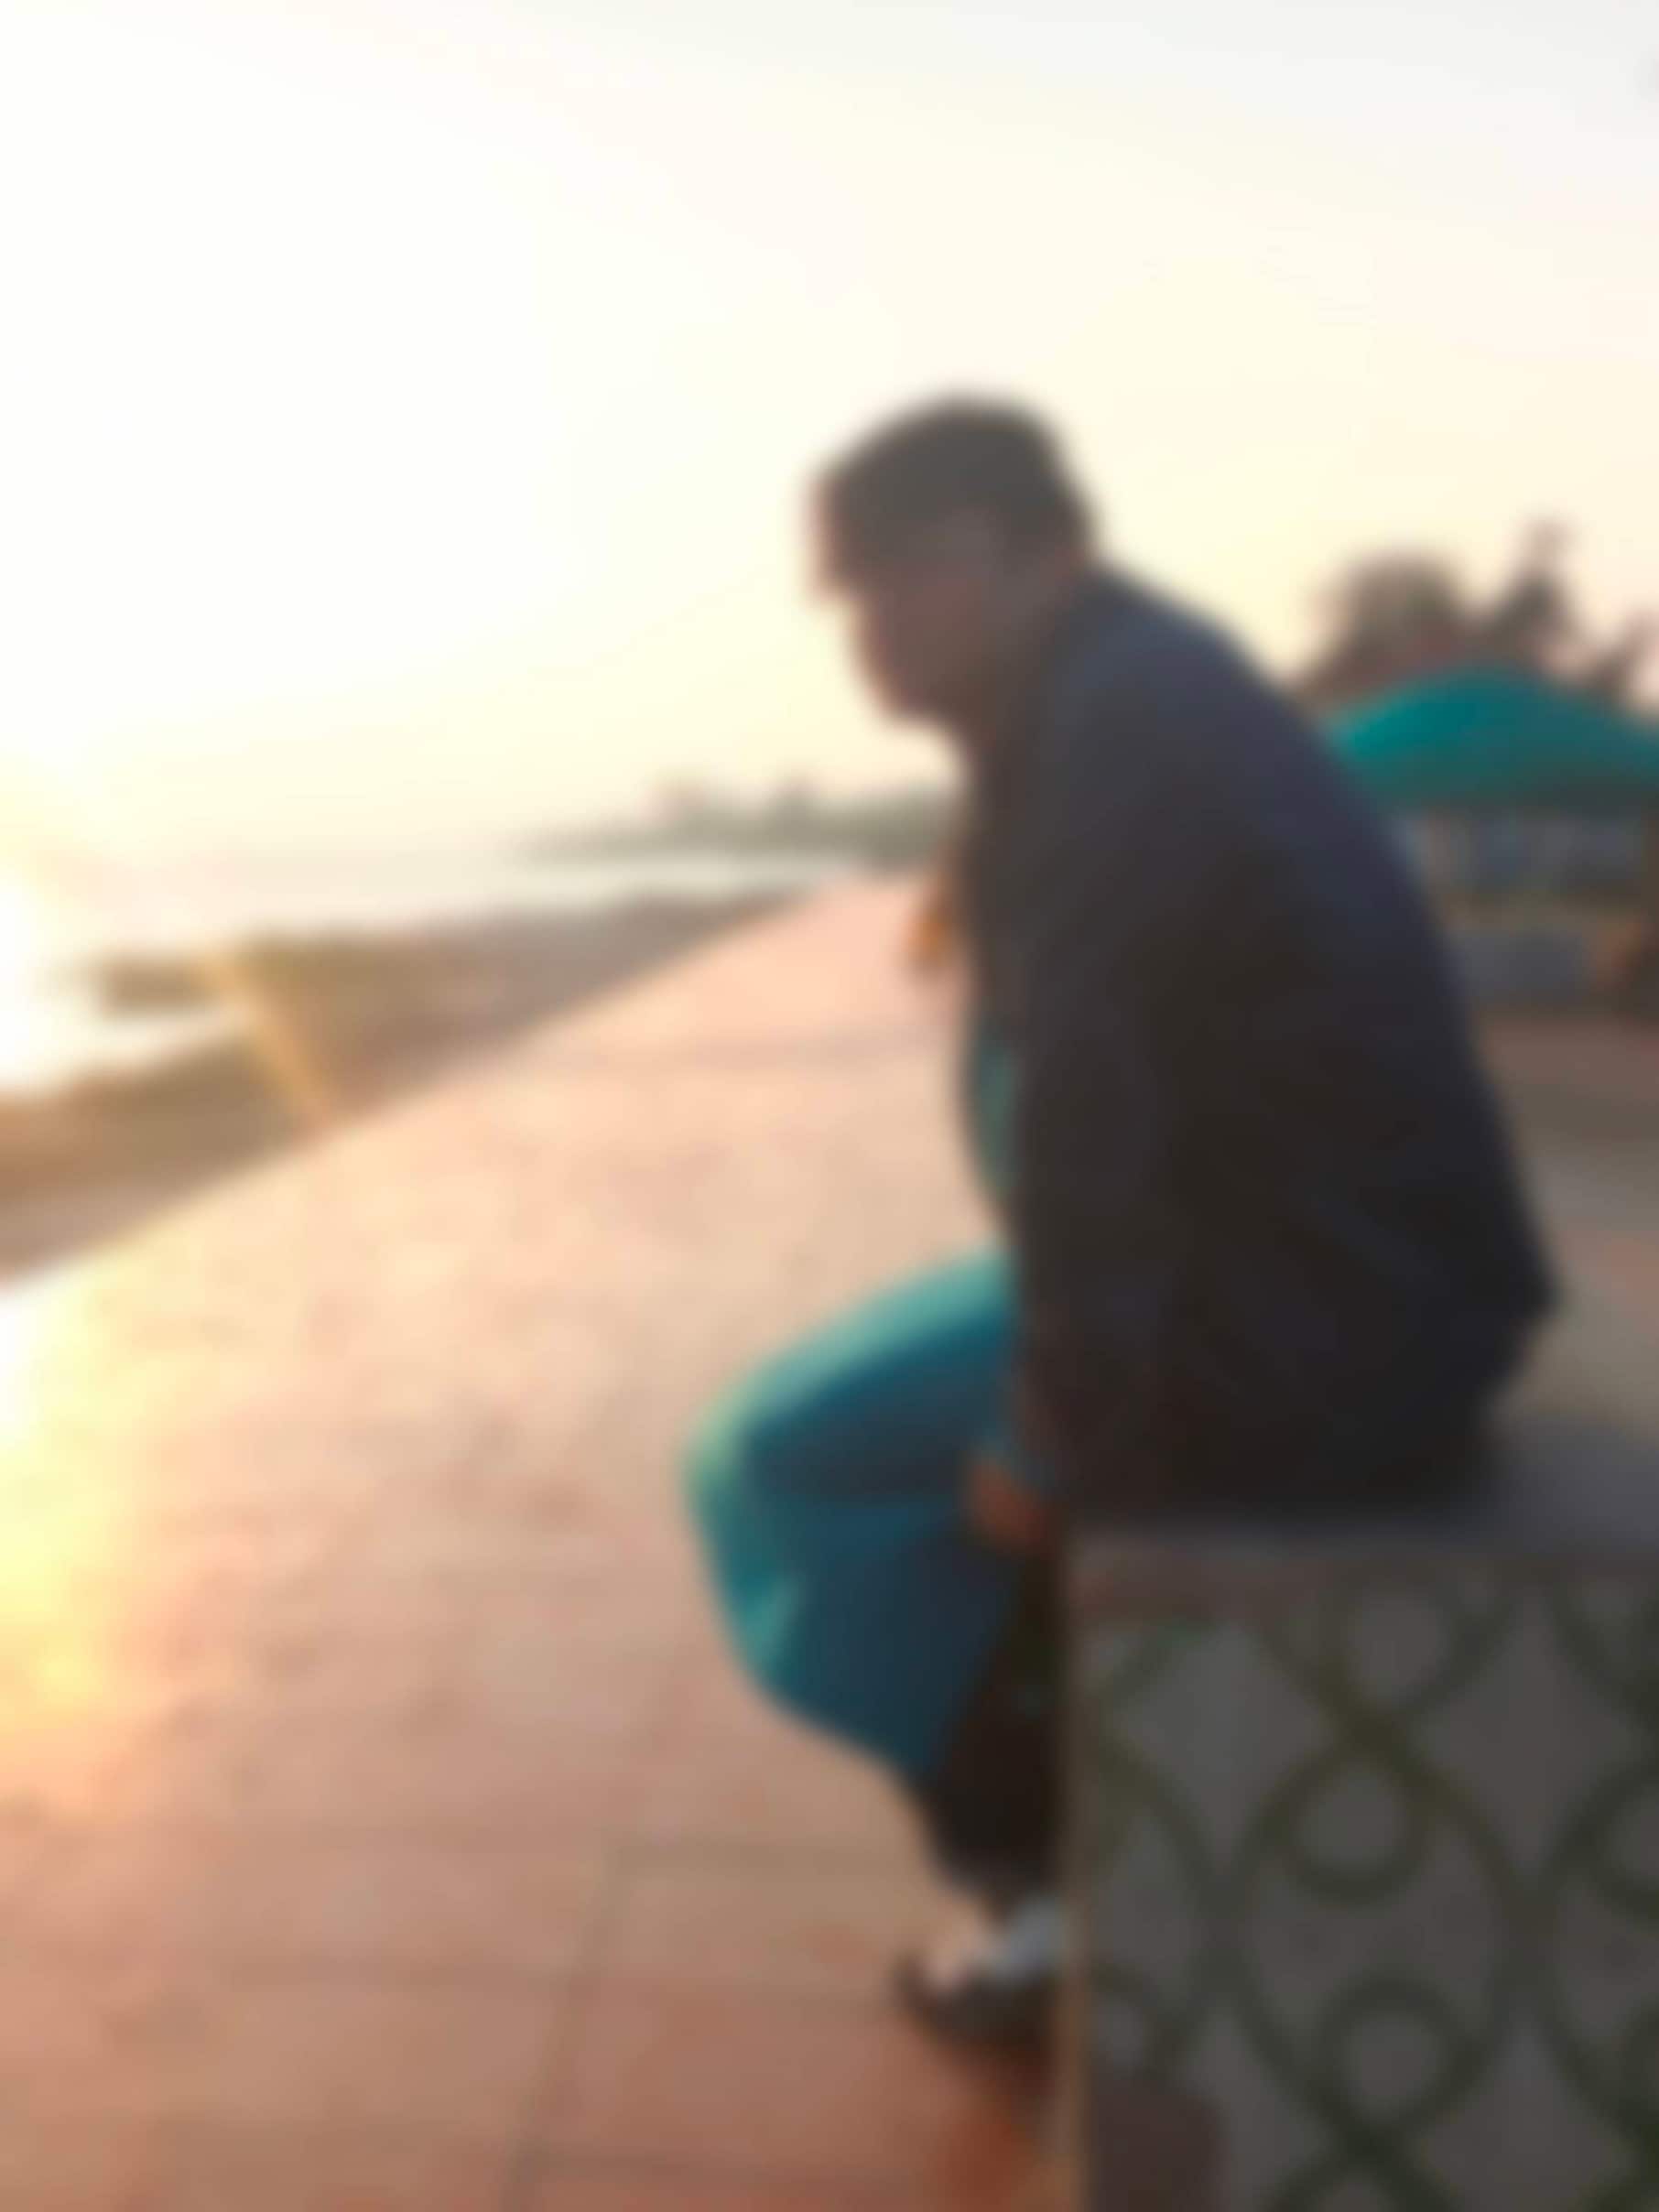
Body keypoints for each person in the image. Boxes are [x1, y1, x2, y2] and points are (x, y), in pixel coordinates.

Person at [686, 399, 1554, 2048]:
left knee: (786, 1460)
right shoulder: (1110, 694)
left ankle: (1031, 1888)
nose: (876, 621)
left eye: (914, 569)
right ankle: (1039, 1816)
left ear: (1048, 554)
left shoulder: (1115, 737)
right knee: (823, 1435)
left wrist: (1052, 1431)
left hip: (1318, 1322)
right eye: (849, 590)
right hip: (1314, 1272)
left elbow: (1091, 1118)